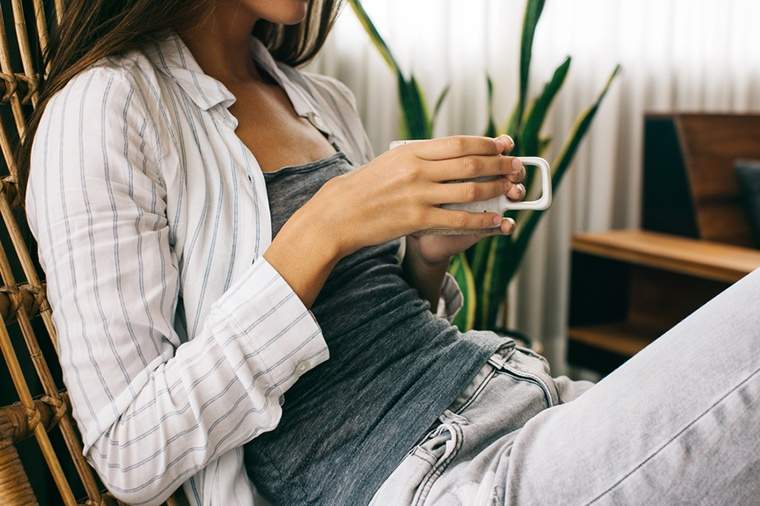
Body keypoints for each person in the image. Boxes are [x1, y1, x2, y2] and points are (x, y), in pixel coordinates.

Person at [18, 1, 759, 505]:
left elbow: (373, 326)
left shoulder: (320, 100)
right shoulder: (107, 109)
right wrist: (323, 226)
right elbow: (129, 450)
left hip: (526, 398)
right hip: (443, 478)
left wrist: (427, 259)